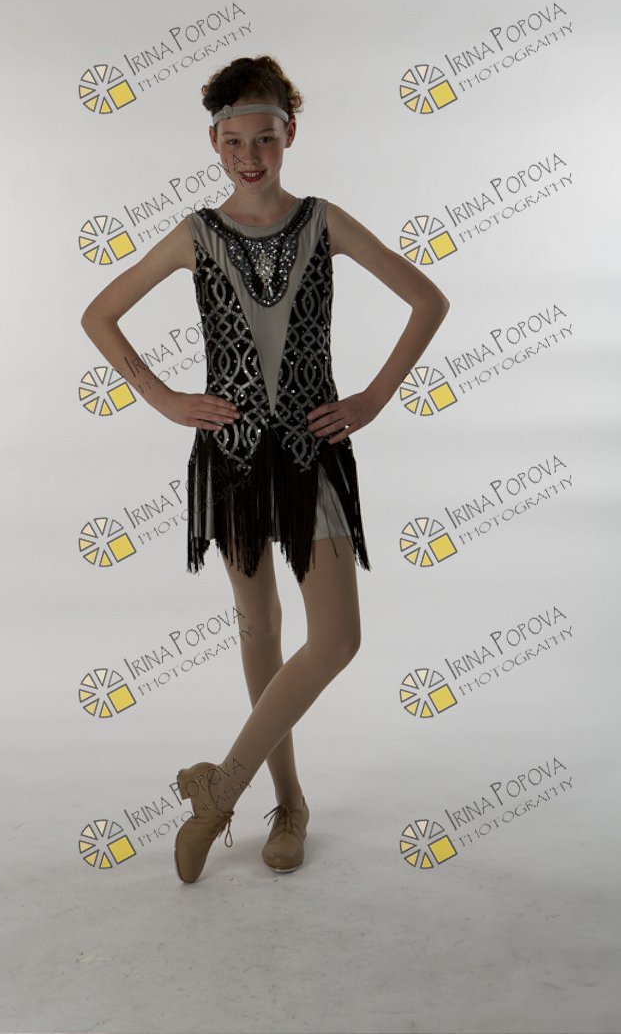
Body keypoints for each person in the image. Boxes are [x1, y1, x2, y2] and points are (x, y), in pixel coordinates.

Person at [80, 54, 450, 884]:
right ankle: (288, 802)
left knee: (337, 637)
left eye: (267, 139)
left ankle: (220, 788)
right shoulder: (196, 235)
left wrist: (373, 397)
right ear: (215, 142)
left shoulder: (324, 221)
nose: (251, 155)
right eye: (236, 141)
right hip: (234, 457)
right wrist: (164, 397)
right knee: (261, 628)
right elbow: (99, 314)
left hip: (314, 451)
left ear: (291, 135)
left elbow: (428, 300)